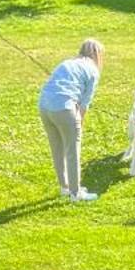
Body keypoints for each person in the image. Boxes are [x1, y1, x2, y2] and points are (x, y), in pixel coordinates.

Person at [38, 37, 103, 202]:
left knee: (57, 148)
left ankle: (64, 187)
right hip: (64, 108)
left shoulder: (66, 63)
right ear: (97, 55)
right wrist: (78, 124)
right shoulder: (93, 70)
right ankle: (76, 193)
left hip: (44, 105)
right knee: (72, 150)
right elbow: (84, 105)